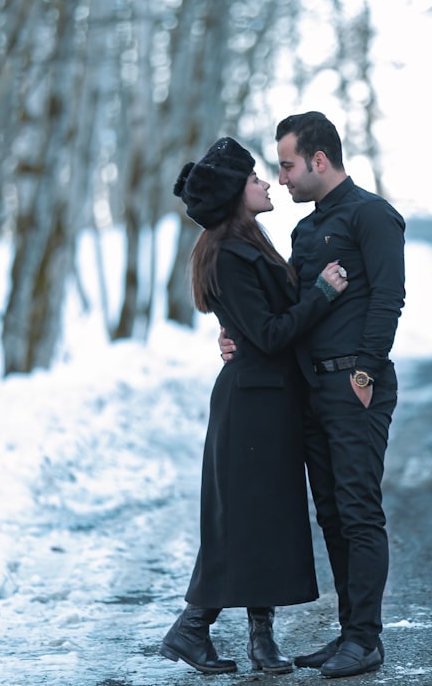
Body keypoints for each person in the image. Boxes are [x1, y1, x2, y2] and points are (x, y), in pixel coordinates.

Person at [220, 111, 406, 678]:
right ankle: (351, 634)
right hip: (312, 389)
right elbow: (287, 313)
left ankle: (366, 640)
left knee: (357, 511)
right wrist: (236, 333)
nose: (281, 179)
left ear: (319, 160)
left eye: (288, 165)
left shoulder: (372, 216)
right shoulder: (303, 231)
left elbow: (388, 299)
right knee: (330, 515)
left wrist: (367, 372)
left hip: (355, 384)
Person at [161, 136, 350, 675]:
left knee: (260, 521)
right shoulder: (228, 253)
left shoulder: (249, 243)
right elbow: (268, 334)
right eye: (253, 179)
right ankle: (194, 629)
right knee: (245, 521)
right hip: (251, 405)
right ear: (232, 195)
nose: (266, 183)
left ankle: (253, 641)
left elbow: (256, 325)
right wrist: (323, 293)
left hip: (267, 401)